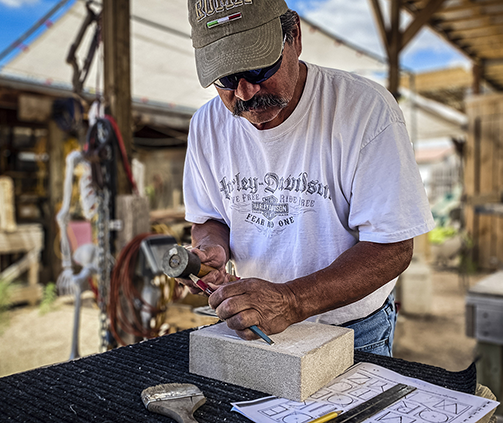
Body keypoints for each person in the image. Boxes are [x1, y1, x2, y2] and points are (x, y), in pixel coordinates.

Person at [180, 0, 435, 357]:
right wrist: (213, 250)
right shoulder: (206, 126)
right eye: (225, 79)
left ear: (294, 36)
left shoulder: (365, 110)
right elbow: (209, 218)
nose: (244, 93)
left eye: (257, 69)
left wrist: (292, 301)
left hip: (351, 333)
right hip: (253, 327)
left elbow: (392, 247)